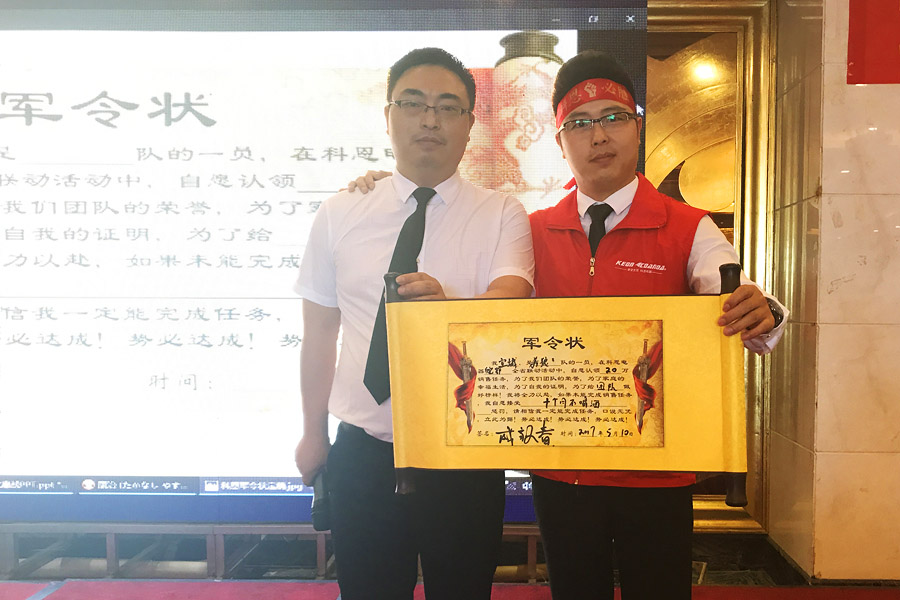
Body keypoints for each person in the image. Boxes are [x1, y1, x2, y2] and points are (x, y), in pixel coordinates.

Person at [348, 49, 787, 600]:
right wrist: (383, 187)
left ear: (637, 128)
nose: (598, 136)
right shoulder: (530, 229)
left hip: (658, 468)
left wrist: (765, 312)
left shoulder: (688, 226)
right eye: (579, 123)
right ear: (560, 142)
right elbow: (491, 312)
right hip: (562, 469)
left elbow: (734, 298)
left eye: (613, 118)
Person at [293, 47, 534, 600]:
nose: (430, 119)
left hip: (464, 452)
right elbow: (319, 334)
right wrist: (312, 432)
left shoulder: (502, 212)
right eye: (413, 103)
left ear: (470, 124)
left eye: (448, 107)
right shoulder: (339, 212)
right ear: (388, 115)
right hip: (362, 454)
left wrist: (447, 312)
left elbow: (510, 308)